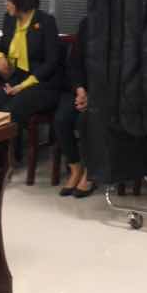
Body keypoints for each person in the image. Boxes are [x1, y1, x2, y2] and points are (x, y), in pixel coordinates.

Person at [0, 0, 65, 159]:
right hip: (17, 79)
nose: (5, 4)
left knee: (15, 106)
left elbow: (52, 62)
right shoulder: (9, 19)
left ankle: (7, 158)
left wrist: (22, 86)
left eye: (8, 0)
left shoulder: (45, 22)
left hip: (43, 83)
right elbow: (1, 46)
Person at [56, 14, 97, 197]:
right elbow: (74, 62)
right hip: (81, 89)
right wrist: (80, 90)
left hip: (106, 93)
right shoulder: (87, 23)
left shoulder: (121, 23)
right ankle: (75, 167)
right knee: (62, 119)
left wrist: (93, 96)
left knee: (86, 121)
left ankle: (91, 171)